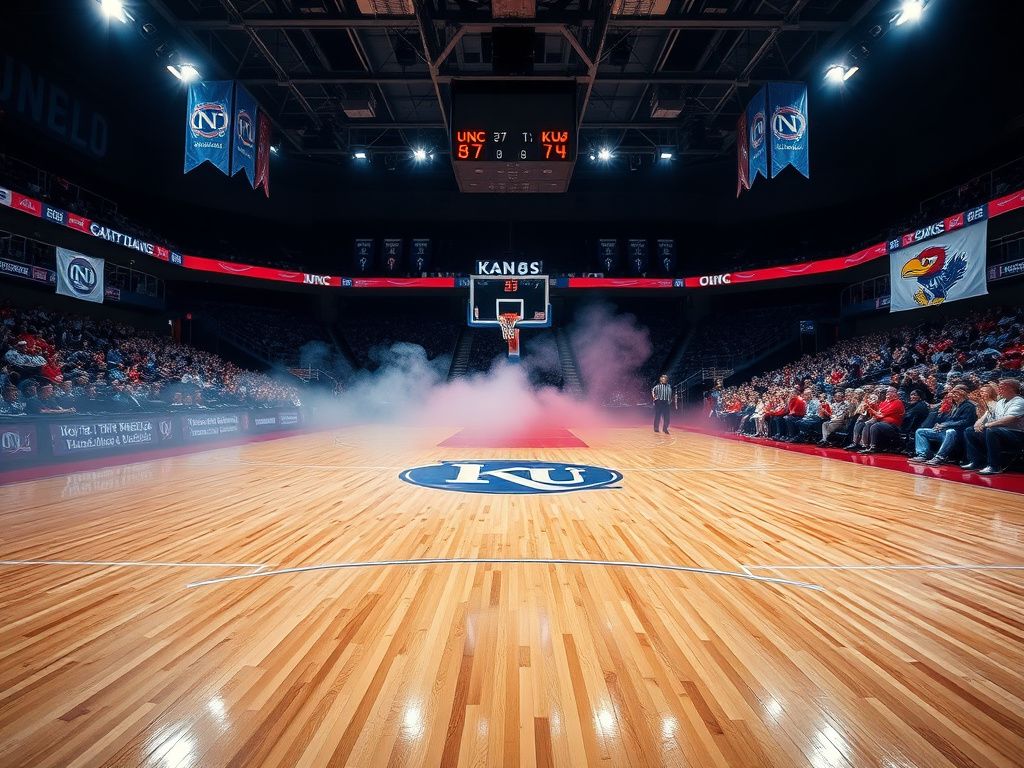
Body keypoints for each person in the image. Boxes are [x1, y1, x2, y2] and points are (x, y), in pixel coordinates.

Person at [961, 378, 1024, 475]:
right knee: (969, 431)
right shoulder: (1000, 402)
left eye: (1002, 387)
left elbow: (1010, 419)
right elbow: (990, 416)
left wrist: (987, 425)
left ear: (1011, 388)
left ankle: (994, 466)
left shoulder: (1020, 401)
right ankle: (976, 461)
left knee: (992, 430)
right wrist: (979, 424)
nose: (999, 389)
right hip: (999, 431)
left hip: (1016, 434)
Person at [908, 386, 976, 465]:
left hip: (958, 433)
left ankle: (939, 457)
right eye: (953, 393)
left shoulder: (969, 406)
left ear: (963, 394)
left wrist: (945, 425)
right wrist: (939, 425)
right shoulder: (955, 405)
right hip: (946, 431)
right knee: (920, 431)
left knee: (950, 431)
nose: (954, 395)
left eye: (956, 393)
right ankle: (923, 455)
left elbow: (965, 422)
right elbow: (950, 420)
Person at [858, 387, 905, 454]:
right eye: (887, 392)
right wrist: (869, 408)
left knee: (875, 426)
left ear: (895, 393)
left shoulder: (897, 402)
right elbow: (877, 413)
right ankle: (865, 445)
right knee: (867, 424)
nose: (887, 393)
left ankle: (873, 447)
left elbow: (881, 415)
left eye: (890, 391)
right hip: (882, 422)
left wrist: (870, 409)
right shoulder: (884, 402)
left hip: (893, 425)